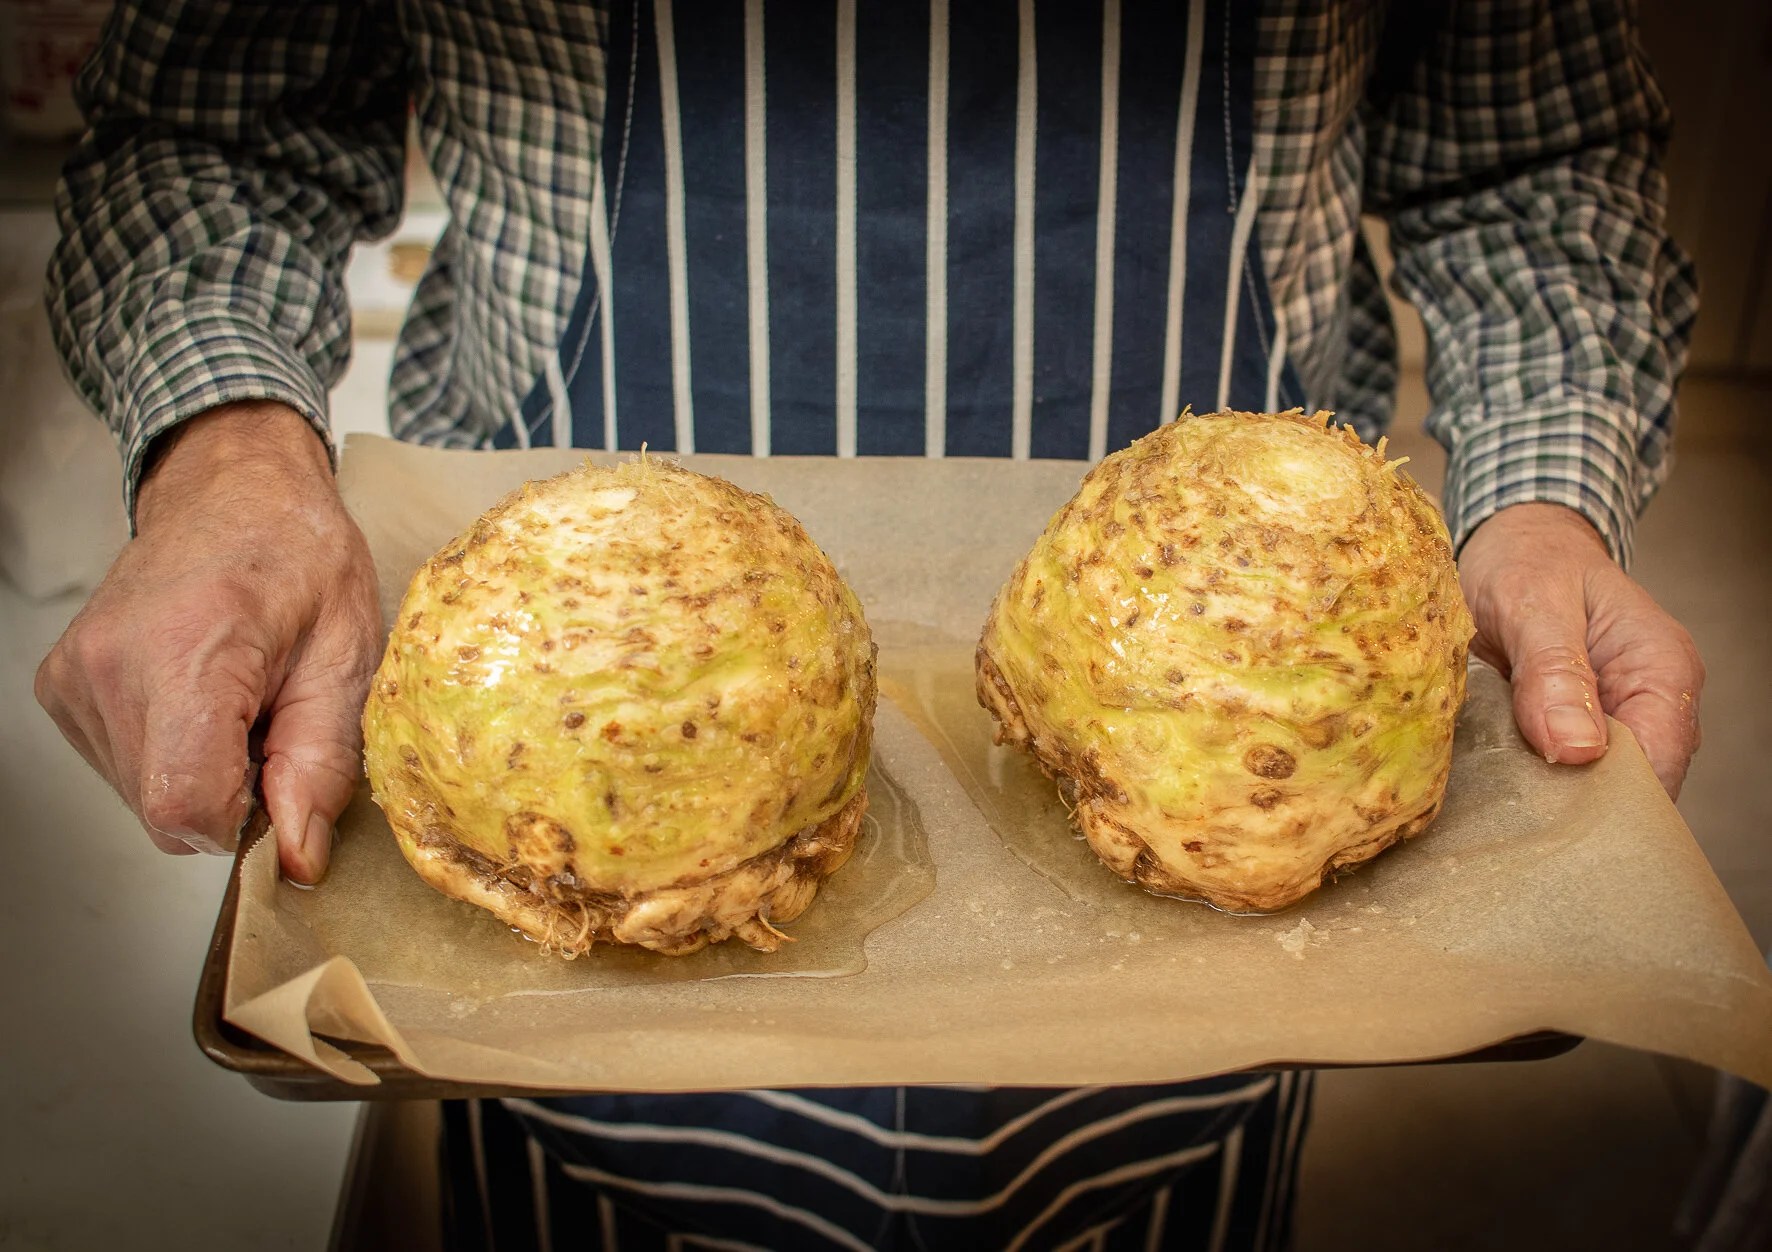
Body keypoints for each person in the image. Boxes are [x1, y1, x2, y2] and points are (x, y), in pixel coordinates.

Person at [35, 1, 1704, 1248]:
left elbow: (1532, 158)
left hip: (1258, 680)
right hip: (532, 677)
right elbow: (214, 123)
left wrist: (1541, 492)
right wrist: (226, 455)